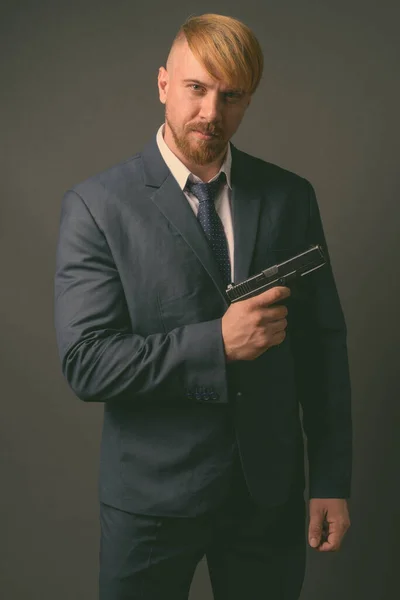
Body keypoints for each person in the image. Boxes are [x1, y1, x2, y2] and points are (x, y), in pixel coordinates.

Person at [54, 13, 352, 600]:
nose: (212, 113)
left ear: (248, 100)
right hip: (150, 504)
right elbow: (87, 362)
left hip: (268, 498)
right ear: (164, 83)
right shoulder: (96, 206)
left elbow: (324, 347)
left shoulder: (291, 197)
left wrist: (330, 480)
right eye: (197, 88)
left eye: (231, 95)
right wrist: (216, 343)